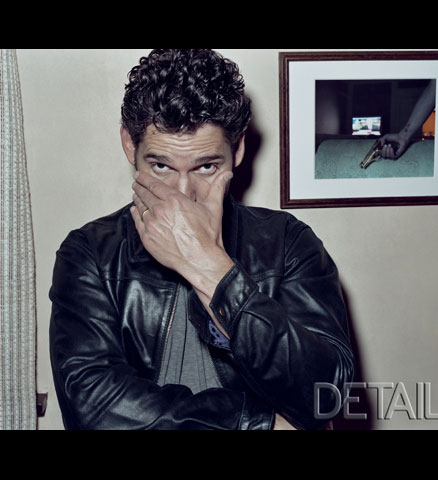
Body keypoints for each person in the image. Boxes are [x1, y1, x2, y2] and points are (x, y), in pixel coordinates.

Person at [49, 49, 354, 430]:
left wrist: (209, 267)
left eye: (206, 166)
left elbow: (327, 394)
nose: (182, 195)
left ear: (237, 149)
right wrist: (255, 424)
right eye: (161, 166)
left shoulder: (287, 243)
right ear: (129, 145)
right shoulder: (90, 254)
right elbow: (93, 408)